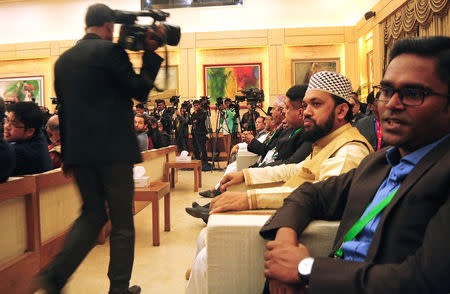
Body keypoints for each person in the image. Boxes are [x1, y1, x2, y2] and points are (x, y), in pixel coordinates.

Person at [261, 36, 450, 294]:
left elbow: (423, 280)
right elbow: (310, 192)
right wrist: (285, 242)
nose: (392, 105)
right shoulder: (378, 163)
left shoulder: (441, 171)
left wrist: (306, 269)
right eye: (386, 91)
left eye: (413, 94)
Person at [185, 72, 373, 294]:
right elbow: (296, 170)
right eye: (305, 105)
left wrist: (249, 199)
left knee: (206, 255)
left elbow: (316, 198)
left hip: (305, 232)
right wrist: (246, 175)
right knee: (203, 236)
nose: (307, 112)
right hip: (290, 213)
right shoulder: (327, 142)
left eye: (316, 104)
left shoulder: (349, 150)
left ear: (341, 110)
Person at [35, 4, 165, 294]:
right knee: (121, 223)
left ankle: (55, 275)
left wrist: (67, 153)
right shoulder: (111, 52)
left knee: (92, 215)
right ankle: (118, 289)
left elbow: (63, 111)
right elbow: (139, 90)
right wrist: (151, 54)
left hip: (80, 153)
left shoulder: (63, 60)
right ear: (108, 26)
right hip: (114, 153)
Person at [4, 102, 52, 176]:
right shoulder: (38, 136)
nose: (6, 127)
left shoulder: (19, 152)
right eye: (7, 121)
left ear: (30, 131)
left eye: (14, 124)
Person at [191, 100, 210, 171]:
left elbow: (200, 119)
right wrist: (195, 119)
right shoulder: (193, 113)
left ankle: (205, 163)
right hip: (194, 132)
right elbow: (191, 121)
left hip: (201, 132)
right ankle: (198, 162)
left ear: (200, 105)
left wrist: (195, 118)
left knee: (203, 148)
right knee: (196, 148)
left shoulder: (203, 112)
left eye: (197, 105)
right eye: (194, 105)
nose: (195, 107)